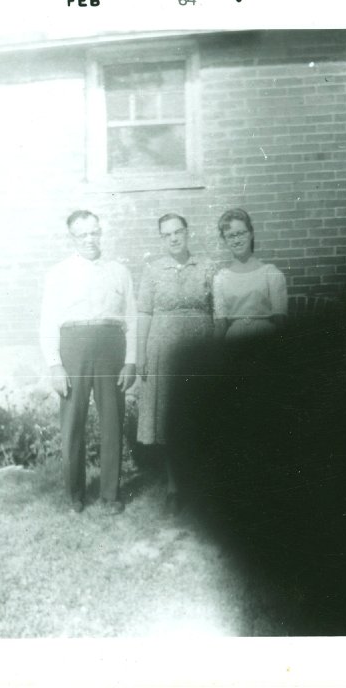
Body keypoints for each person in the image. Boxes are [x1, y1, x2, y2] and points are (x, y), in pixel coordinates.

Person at [40, 210, 137, 515]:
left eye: (94, 232)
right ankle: (74, 495)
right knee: (72, 422)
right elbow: (47, 322)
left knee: (112, 420)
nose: (89, 239)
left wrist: (131, 361)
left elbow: (131, 319)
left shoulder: (119, 271)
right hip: (74, 346)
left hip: (111, 346)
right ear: (73, 238)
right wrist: (55, 364)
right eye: (82, 234)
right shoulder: (58, 273)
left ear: (100, 233)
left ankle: (110, 494)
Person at [136, 214, 215, 514]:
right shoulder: (152, 270)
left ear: (187, 233)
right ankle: (173, 486)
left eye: (178, 232)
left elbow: (217, 310)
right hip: (164, 351)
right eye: (166, 234)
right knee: (170, 417)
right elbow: (144, 313)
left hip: (200, 350)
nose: (173, 238)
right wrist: (141, 354)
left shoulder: (206, 266)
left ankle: (202, 485)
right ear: (161, 238)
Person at [213, 208, 288, 339]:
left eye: (241, 233)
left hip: (266, 339)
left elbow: (280, 321)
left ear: (251, 233)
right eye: (231, 236)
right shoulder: (221, 278)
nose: (237, 240)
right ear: (224, 240)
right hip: (234, 342)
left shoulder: (271, 273)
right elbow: (221, 325)